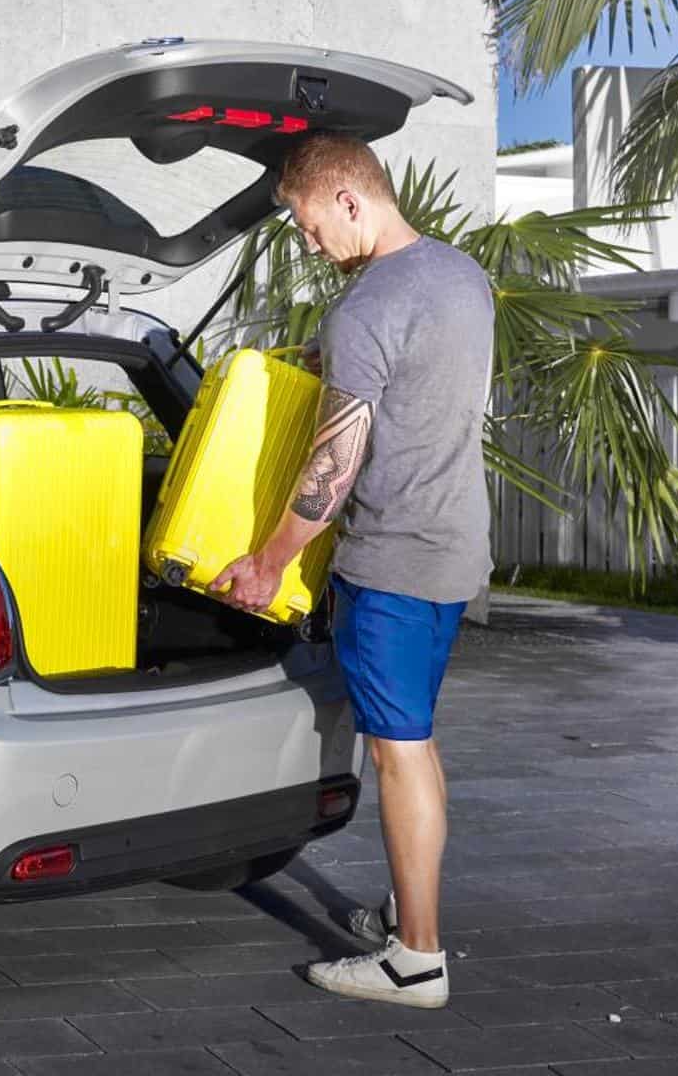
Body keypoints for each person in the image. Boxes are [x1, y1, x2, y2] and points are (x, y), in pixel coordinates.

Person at [210, 132, 493, 1009]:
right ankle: (411, 910)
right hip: (455, 549)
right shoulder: (460, 276)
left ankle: (416, 962)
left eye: (307, 223)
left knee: (397, 755)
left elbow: (331, 471)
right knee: (418, 740)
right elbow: (421, 387)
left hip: (392, 559)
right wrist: (333, 368)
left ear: (347, 199)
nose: (308, 243)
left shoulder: (367, 307)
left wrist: (268, 562)